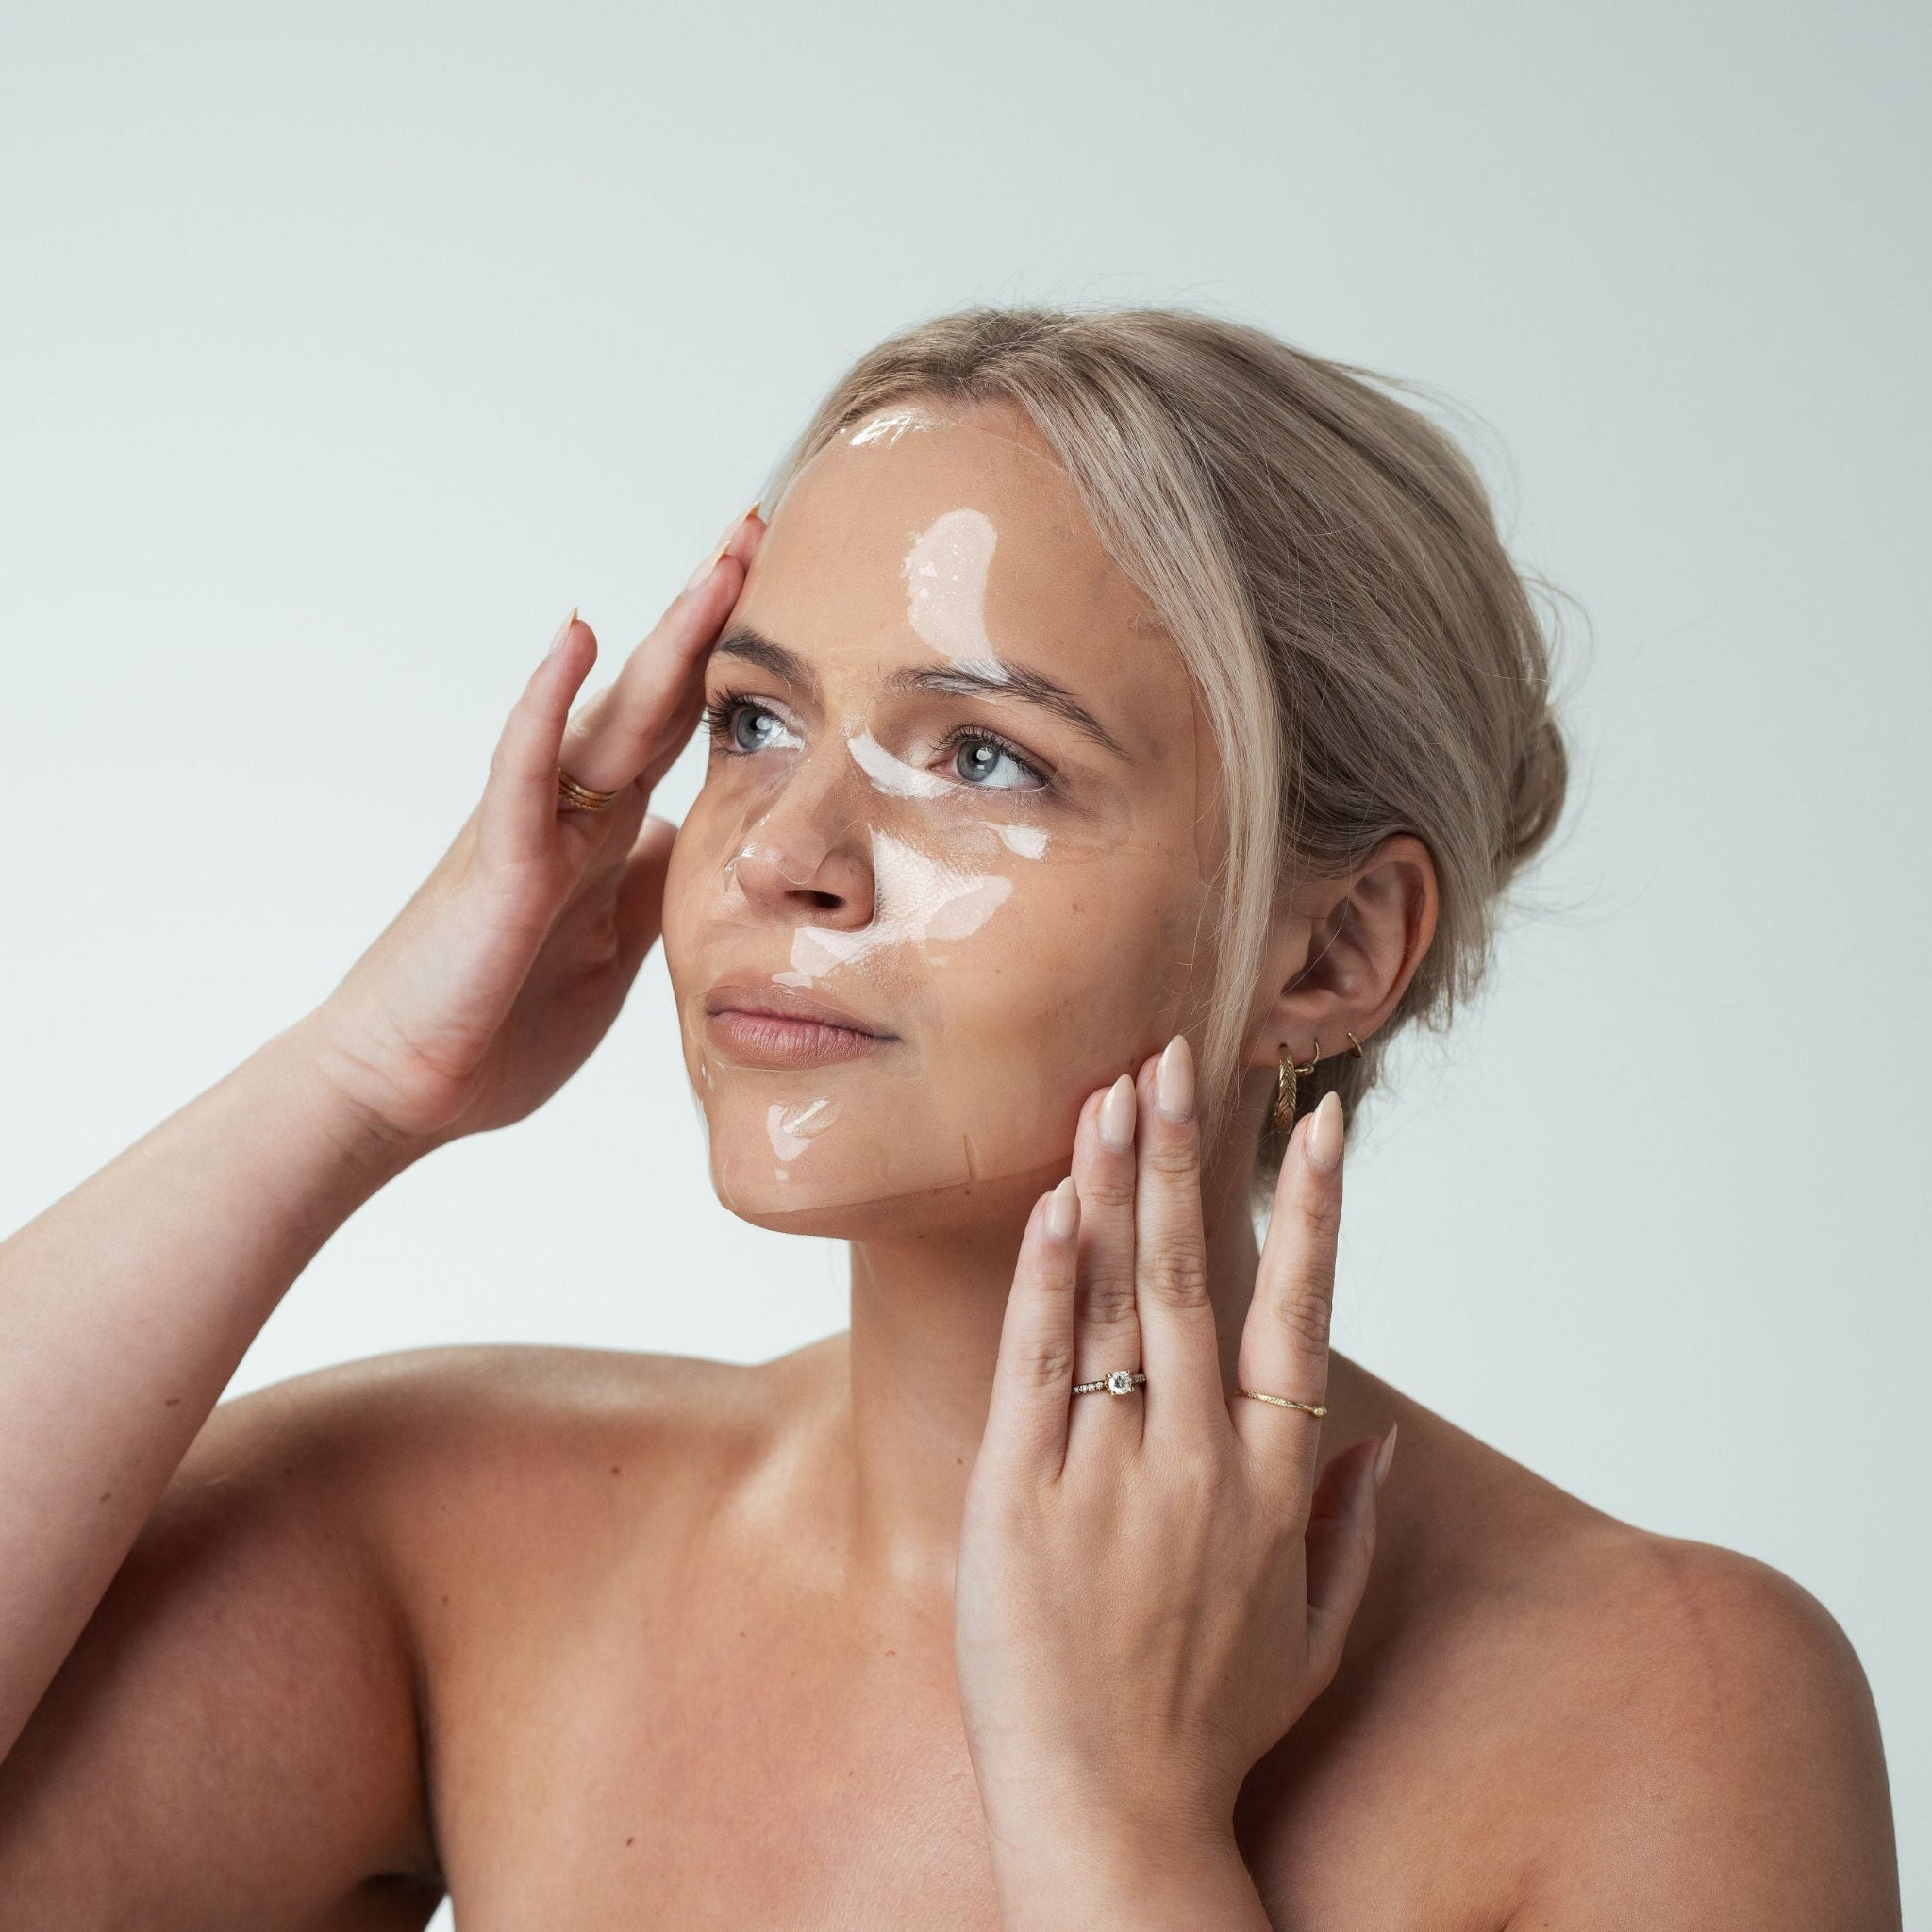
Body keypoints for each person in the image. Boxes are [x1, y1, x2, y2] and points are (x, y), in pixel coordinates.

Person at [0, 306, 1901, 1928]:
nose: (788, 855)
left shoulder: (1675, 1701)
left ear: (1332, 951)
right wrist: (355, 1078)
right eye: (753, 722)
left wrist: (1125, 1844)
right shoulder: (451, 1538)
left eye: (983, 754)